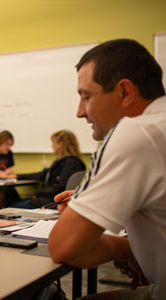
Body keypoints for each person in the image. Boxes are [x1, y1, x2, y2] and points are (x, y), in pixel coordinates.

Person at [48, 39, 166, 300]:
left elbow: (62, 247)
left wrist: (122, 248)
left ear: (125, 92)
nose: (80, 112)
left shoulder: (136, 132)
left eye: (86, 97)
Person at [13, 130, 85, 209]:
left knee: (12, 206)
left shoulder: (71, 163)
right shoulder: (65, 162)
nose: (52, 145)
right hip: (50, 199)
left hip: (52, 201)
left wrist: (37, 193)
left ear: (61, 144)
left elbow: (60, 188)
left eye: (54, 142)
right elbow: (42, 174)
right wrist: (16, 176)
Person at [0, 130, 20, 207]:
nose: (8, 147)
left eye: (10, 145)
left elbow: (10, 170)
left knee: (16, 201)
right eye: (6, 144)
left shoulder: (9, 153)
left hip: (6, 184)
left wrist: (8, 173)